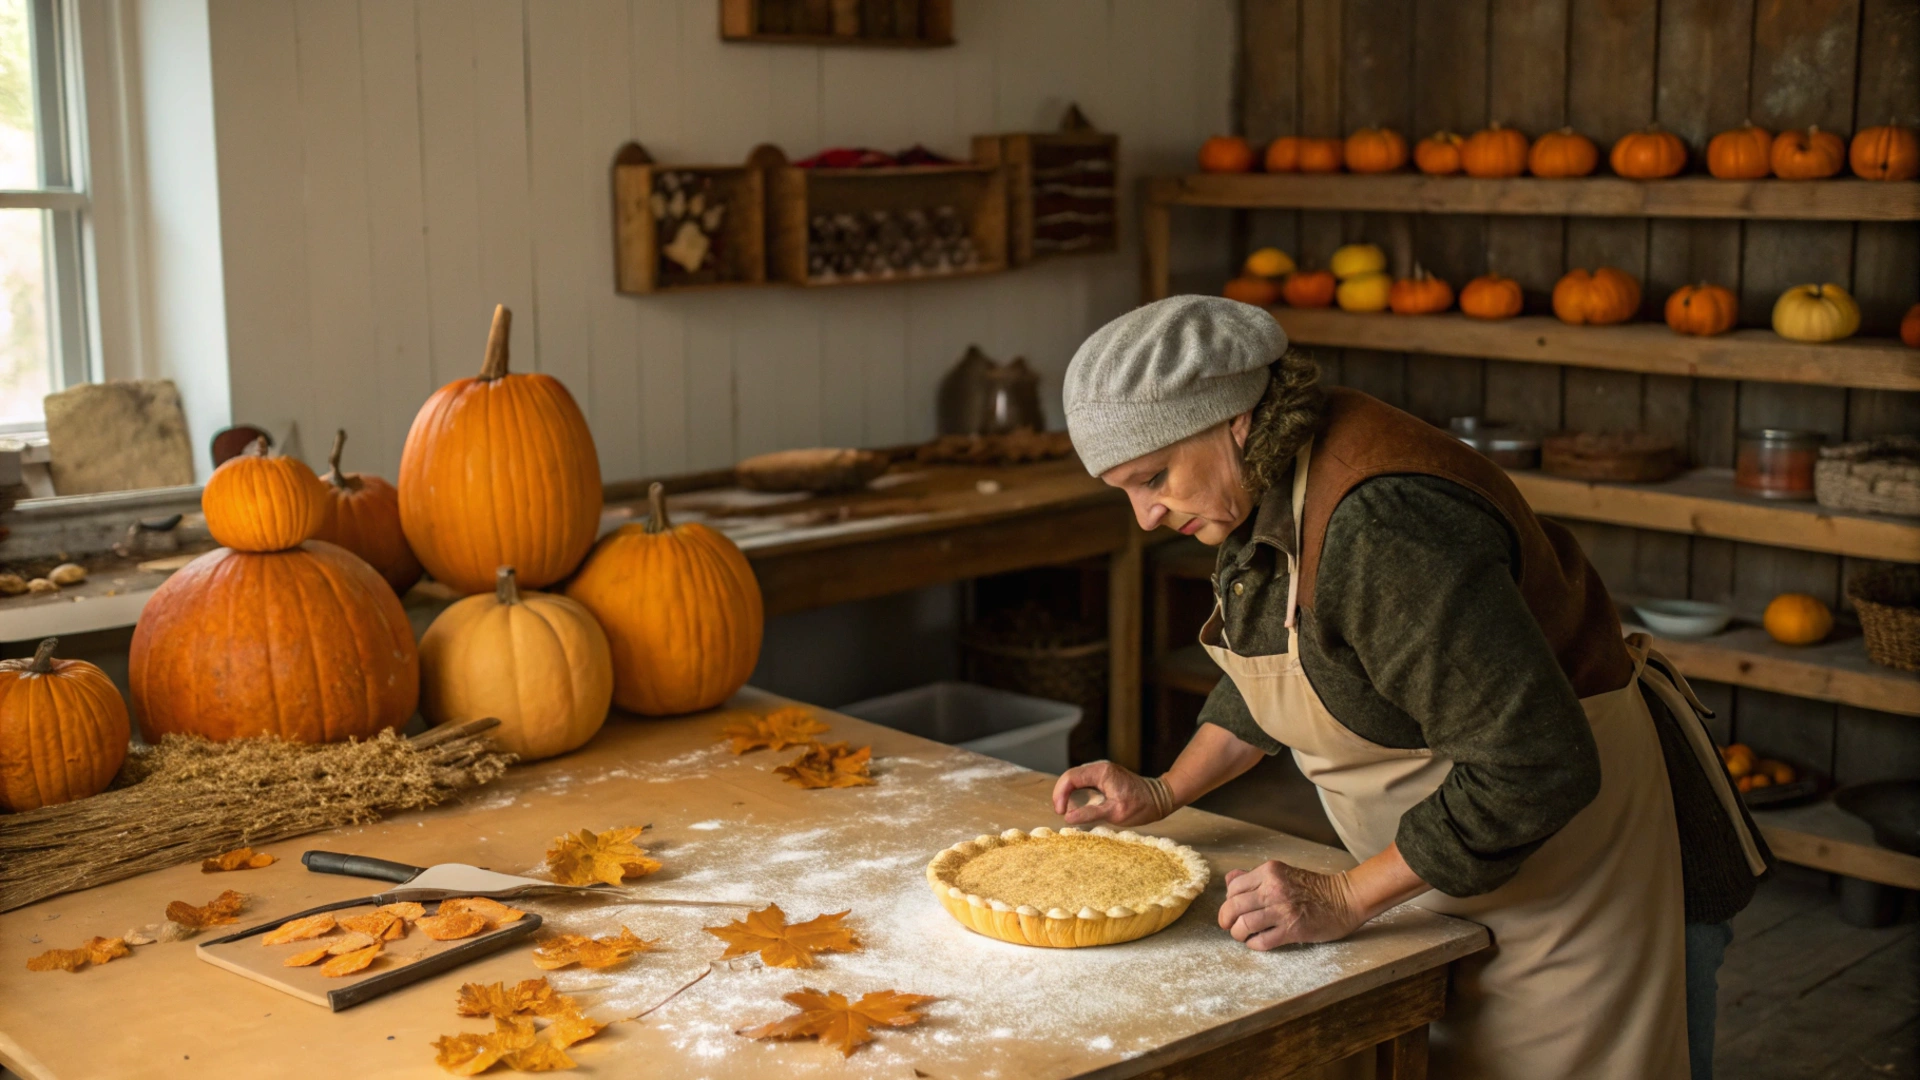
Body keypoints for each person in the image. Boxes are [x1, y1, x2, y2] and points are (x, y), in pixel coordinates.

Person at [1051, 296, 1770, 1080]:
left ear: (1236, 419)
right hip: (1441, 879)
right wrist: (1162, 792)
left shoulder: (1381, 524)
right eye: (1121, 488)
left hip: (1569, 879)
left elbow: (1533, 765)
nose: (1146, 516)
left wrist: (1347, 898)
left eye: (1152, 478)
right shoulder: (1258, 490)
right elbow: (1284, 670)